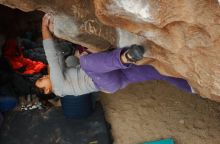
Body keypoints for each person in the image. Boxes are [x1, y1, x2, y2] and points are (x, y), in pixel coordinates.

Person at [35, 14, 193, 97]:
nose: (42, 78)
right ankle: (126, 57)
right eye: (41, 81)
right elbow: (53, 58)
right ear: (48, 90)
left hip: (117, 78)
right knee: (86, 63)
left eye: (40, 77)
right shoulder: (58, 89)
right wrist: (44, 28)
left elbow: (65, 59)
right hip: (105, 81)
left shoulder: (62, 80)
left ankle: (193, 87)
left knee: (157, 71)